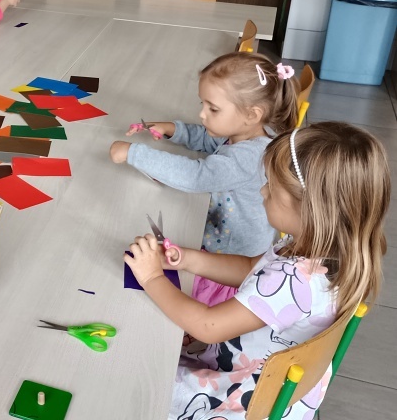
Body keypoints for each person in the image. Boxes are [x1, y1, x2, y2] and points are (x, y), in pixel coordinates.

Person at [125, 122, 389, 419]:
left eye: (272, 188)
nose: (262, 191)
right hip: (272, 382)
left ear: (311, 210)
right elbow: (252, 268)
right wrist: (188, 260)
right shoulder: (324, 249)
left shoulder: (293, 280)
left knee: (136, 380)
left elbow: (208, 326)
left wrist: (151, 277)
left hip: (243, 397)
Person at [110, 52, 298, 305]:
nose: (202, 114)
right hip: (221, 244)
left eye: (213, 109)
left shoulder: (248, 158)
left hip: (229, 264)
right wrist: (171, 129)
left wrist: (133, 153)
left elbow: (196, 176)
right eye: (203, 104)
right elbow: (209, 139)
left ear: (252, 114)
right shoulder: (250, 132)